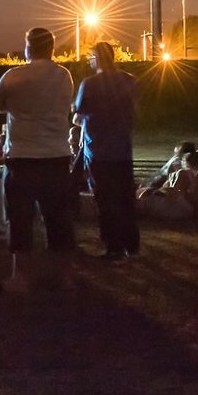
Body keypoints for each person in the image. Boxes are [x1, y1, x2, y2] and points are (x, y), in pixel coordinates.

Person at [0, 26, 77, 293]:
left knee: (20, 219)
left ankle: (21, 278)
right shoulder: (64, 75)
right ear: (51, 49)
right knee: (59, 219)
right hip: (56, 156)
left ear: (28, 48)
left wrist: (9, 105)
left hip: (23, 157)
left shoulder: (14, 76)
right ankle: (65, 276)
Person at [73, 42, 139, 261]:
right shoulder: (129, 80)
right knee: (125, 196)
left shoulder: (89, 84)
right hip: (122, 148)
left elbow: (78, 113)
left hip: (98, 150)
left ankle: (113, 246)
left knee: (105, 199)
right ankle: (132, 243)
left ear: (96, 58)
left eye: (91, 57)